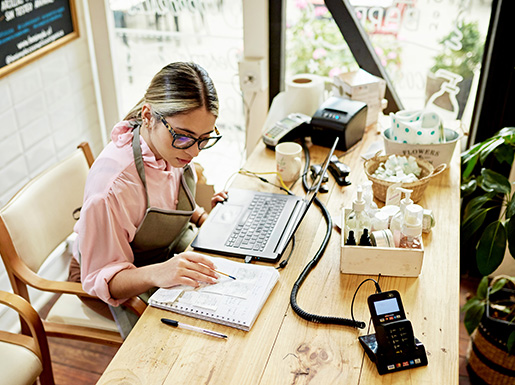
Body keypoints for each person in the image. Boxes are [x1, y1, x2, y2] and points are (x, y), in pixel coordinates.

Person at [69, 62, 228, 337]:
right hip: (110, 277)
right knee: (185, 338)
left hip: (162, 254)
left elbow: (166, 200)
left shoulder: (170, 147)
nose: (195, 152)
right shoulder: (114, 187)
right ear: (148, 115)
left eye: (204, 139)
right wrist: (158, 273)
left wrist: (203, 217)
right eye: (184, 137)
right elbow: (103, 277)